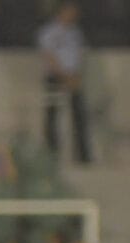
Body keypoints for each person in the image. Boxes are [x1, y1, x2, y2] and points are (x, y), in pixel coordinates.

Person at [41, 3, 90, 167]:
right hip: (55, 78)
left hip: (74, 77)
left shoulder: (76, 33)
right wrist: (63, 76)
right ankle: (51, 155)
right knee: (52, 116)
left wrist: (75, 76)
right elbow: (49, 56)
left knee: (79, 116)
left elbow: (79, 55)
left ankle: (83, 155)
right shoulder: (49, 32)